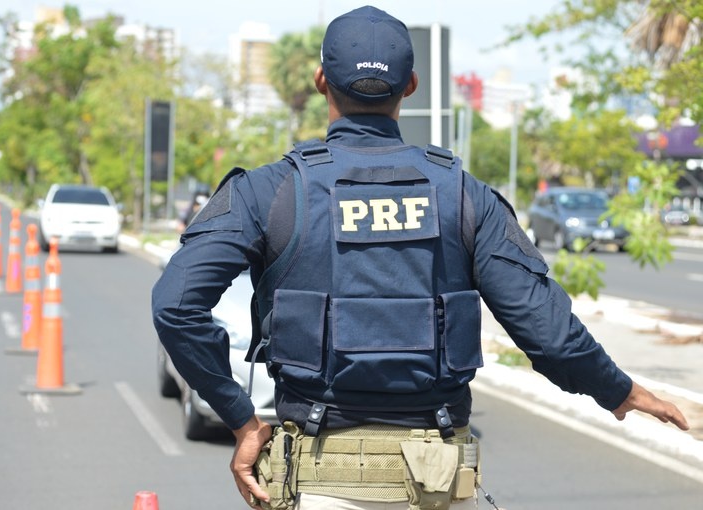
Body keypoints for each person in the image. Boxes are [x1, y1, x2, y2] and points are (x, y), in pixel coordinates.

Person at [152, 5, 689, 509]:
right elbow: (545, 330)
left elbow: (176, 306)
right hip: (436, 480)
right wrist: (618, 390)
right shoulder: (463, 194)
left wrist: (242, 420)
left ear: (321, 83)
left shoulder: (268, 191)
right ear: (410, 85)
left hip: (317, 481)